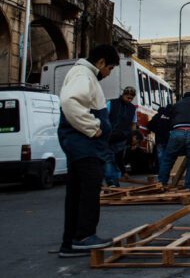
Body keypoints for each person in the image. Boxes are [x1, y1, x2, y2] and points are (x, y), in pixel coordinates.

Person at [57, 44, 120, 257]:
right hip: (84, 143)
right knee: (89, 188)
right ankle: (84, 236)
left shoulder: (83, 73)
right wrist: (94, 128)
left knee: (77, 191)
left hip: (81, 143)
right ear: (101, 62)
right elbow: (69, 101)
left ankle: (70, 242)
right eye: (109, 68)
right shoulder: (83, 74)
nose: (108, 73)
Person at [103, 86, 137, 187]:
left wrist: (133, 137)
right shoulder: (112, 103)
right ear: (123, 95)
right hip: (110, 136)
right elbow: (104, 118)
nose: (129, 99)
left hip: (122, 138)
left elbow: (133, 123)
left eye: (131, 98)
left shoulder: (132, 108)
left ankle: (113, 181)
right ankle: (112, 181)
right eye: (128, 97)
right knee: (110, 159)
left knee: (115, 160)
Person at [148, 103, 171, 170]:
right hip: (169, 139)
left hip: (159, 139)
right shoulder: (172, 116)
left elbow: (149, 125)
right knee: (168, 155)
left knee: (160, 156)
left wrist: (156, 131)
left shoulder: (158, 115)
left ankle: (162, 170)